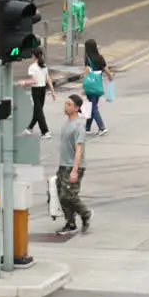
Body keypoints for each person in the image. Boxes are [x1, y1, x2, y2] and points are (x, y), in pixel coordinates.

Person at [56, 95, 92, 235]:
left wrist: (75, 170)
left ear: (77, 108)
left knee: (69, 195)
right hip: (63, 165)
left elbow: (79, 149)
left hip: (73, 166)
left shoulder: (78, 126)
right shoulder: (67, 123)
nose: (66, 106)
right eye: (65, 104)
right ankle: (70, 223)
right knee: (61, 195)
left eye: (69, 104)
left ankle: (85, 213)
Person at [82, 39, 113, 136]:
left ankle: (102, 127)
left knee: (93, 106)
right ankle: (87, 127)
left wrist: (84, 84)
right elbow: (106, 68)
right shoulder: (100, 57)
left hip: (90, 85)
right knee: (92, 105)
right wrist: (110, 77)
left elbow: (87, 71)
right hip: (98, 85)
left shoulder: (88, 58)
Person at [24, 48, 55, 138]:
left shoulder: (32, 67)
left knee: (39, 111)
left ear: (34, 55)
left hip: (36, 90)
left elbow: (34, 81)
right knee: (38, 110)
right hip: (43, 89)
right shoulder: (44, 65)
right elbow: (48, 79)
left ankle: (45, 132)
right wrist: (53, 92)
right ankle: (29, 128)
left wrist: (24, 82)